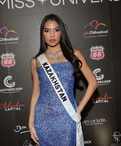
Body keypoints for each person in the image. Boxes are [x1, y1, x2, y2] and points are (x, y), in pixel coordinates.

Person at [29, 14, 98, 146]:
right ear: (42, 34)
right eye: (47, 31)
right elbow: (35, 93)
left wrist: (79, 109)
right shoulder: (36, 61)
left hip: (66, 117)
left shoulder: (74, 54)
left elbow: (93, 83)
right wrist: (31, 122)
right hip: (42, 119)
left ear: (62, 31)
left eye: (56, 29)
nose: (52, 35)